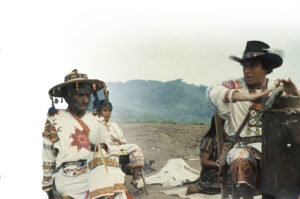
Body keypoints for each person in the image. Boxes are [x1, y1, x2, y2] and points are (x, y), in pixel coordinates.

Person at [206, 41, 300, 199]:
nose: (247, 71)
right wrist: (250, 97)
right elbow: (214, 93)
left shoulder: (278, 87)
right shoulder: (233, 85)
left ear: (267, 68)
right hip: (242, 146)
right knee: (241, 160)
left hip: (275, 148)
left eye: (253, 66)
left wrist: (296, 94)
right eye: (245, 66)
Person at [42, 69, 129, 199]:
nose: (85, 100)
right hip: (68, 175)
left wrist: (106, 147)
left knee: (115, 177)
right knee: (108, 185)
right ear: (67, 96)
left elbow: (112, 143)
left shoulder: (97, 118)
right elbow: (48, 154)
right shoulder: (54, 119)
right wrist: (48, 186)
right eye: (80, 95)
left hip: (96, 168)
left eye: (88, 95)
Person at [89, 100, 145, 190]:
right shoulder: (97, 125)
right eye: (105, 110)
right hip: (107, 148)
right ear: (100, 111)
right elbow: (94, 140)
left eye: (109, 110)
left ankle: (136, 179)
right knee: (114, 151)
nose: (108, 113)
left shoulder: (114, 125)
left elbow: (121, 137)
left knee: (135, 148)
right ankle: (119, 183)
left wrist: (121, 141)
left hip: (118, 146)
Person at [186, 115, 226, 195]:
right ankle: (200, 188)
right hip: (210, 172)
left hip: (224, 170)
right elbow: (204, 162)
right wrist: (219, 164)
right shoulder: (209, 140)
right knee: (223, 183)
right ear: (219, 126)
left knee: (235, 183)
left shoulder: (226, 139)